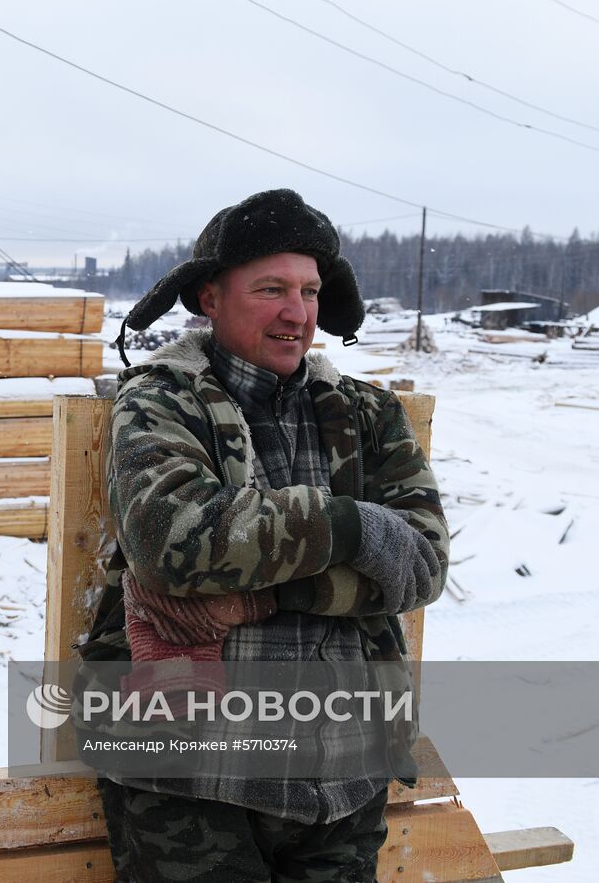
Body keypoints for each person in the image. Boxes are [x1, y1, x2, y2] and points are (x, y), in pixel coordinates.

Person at [91, 188, 449, 882]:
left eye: (311, 291)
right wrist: (353, 525)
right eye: (272, 288)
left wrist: (248, 593)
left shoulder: (370, 415)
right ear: (210, 298)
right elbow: (174, 546)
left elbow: (422, 566)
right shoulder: (163, 400)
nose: (298, 313)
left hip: (346, 770)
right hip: (193, 779)